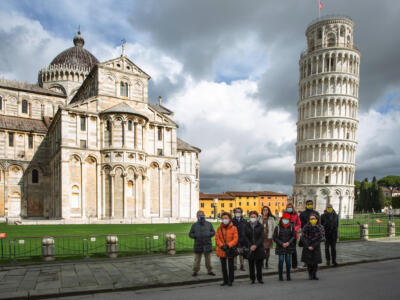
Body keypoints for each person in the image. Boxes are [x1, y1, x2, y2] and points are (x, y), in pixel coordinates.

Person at [189, 210, 216, 277]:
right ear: (197, 216)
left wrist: (209, 234)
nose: (200, 216)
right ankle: (195, 271)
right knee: (197, 260)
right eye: (199, 215)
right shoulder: (194, 225)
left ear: (204, 215)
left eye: (201, 215)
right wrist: (195, 236)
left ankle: (210, 271)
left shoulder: (209, 224)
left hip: (207, 244)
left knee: (208, 260)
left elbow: (213, 232)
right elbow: (190, 234)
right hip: (198, 244)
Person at [216, 212, 238, 286]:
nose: (224, 220)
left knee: (231, 266)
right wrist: (221, 245)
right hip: (222, 249)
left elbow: (235, 239)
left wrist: (228, 245)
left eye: (226, 218)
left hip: (230, 249)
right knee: (223, 267)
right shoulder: (219, 228)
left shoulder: (234, 228)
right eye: (223, 218)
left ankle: (230, 280)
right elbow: (217, 238)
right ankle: (225, 280)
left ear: (229, 219)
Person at [300, 214, 325, 280]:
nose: (312, 220)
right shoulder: (306, 227)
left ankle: (314, 274)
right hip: (307, 246)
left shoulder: (320, 227)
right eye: (311, 219)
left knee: (315, 262)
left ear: (317, 219)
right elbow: (303, 237)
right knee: (309, 262)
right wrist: (308, 246)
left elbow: (321, 238)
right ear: (309, 220)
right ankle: (310, 274)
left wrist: (313, 246)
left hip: (316, 246)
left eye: (314, 218)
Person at [273, 212, 296, 281]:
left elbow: (293, 236)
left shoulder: (291, 227)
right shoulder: (278, 227)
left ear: (289, 220)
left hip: (288, 247)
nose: (285, 220)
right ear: (281, 219)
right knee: (281, 261)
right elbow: (275, 238)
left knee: (288, 262)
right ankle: (280, 276)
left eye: (287, 219)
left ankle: (288, 275)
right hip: (280, 247)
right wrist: (281, 243)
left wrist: (289, 242)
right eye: (284, 219)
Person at [244, 211, 265, 284]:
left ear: (257, 217)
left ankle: (260, 278)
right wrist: (250, 245)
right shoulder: (246, 225)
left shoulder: (260, 226)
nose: (253, 218)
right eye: (251, 217)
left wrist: (256, 245)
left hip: (259, 247)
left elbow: (262, 237)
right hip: (250, 248)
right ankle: (252, 278)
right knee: (251, 265)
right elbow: (245, 236)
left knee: (259, 265)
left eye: (254, 217)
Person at [286, 203, 301, 269]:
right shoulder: (285, 215)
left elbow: (299, 224)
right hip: (286, 235)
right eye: (288, 207)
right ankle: (288, 264)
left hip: (294, 235)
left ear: (292, 208)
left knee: (294, 250)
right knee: (287, 250)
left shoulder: (296, 215)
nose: (289, 208)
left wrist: (294, 229)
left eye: (290, 207)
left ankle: (294, 265)